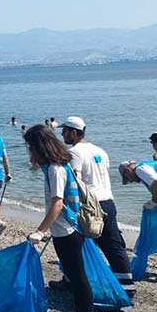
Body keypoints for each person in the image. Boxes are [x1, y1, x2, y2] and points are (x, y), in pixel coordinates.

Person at [24, 124, 94, 312]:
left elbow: (57, 204)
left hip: (68, 231)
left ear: (39, 147)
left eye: (31, 147)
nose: (30, 151)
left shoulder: (55, 169)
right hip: (65, 231)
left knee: (80, 280)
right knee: (74, 278)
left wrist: (40, 231)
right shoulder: (55, 167)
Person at [60, 117, 134, 297]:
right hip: (108, 201)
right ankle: (127, 287)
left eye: (65, 131)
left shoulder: (75, 152)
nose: (62, 133)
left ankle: (73, 281)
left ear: (74, 132)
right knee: (114, 247)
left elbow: (76, 181)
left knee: (75, 244)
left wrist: (69, 206)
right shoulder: (100, 150)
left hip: (89, 205)